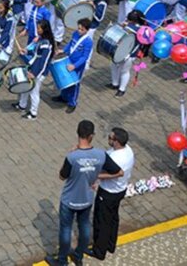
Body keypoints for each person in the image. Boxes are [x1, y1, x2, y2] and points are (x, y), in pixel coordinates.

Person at [52, 120, 123, 266]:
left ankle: (62, 260)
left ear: (78, 133)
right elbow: (118, 172)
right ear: (92, 136)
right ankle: (78, 256)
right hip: (87, 198)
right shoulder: (101, 155)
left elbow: (62, 176)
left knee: (66, 229)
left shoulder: (72, 157)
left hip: (69, 199)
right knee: (84, 226)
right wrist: (98, 176)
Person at [89, 127, 136, 260]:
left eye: (110, 138)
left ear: (116, 142)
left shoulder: (114, 157)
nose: (108, 139)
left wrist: (97, 177)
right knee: (113, 218)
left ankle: (99, 251)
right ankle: (110, 244)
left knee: (102, 221)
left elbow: (113, 174)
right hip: (120, 190)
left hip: (108, 192)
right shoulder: (128, 150)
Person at [55, 18, 94, 114]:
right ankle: (64, 97)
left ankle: (72, 103)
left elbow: (84, 57)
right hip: (69, 60)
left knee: (74, 84)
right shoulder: (75, 34)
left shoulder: (88, 41)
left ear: (87, 30)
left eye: (82, 29)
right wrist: (63, 50)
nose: (79, 31)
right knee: (65, 78)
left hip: (78, 65)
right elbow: (70, 44)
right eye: (79, 28)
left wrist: (75, 66)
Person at [17, 19, 55, 120]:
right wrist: (26, 52)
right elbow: (35, 52)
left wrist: (35, 73)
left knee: (34, 92)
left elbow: (43, 61)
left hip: (38, 71)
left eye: (39, 28)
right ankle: (22, 105)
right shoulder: (41, 39)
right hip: (33, 67)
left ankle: (33, 113)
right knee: (26, 87)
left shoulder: (47, 43)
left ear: (44, 29)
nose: (37, 30)